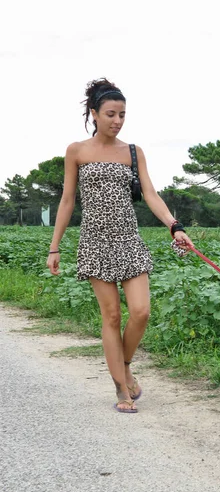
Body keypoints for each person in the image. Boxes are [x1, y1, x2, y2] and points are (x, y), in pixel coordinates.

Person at [47, 78, 194, 414]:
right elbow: (68, 200)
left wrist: (175, 226)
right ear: (94, 114)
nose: (117, 120)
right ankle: (120, 389)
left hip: (129, 239)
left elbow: (151, 195)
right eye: (111, 114)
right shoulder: (77, 151)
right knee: (111, 316)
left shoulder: (133, 152)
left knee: (141, 312)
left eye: (122, 115)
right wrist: (54, 247)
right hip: (95, 241)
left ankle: (125, 365)